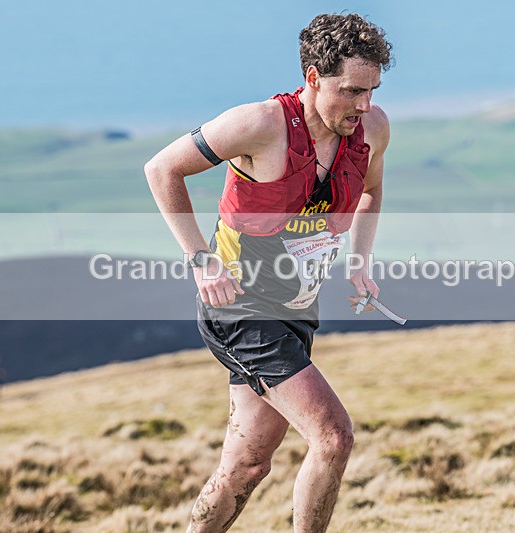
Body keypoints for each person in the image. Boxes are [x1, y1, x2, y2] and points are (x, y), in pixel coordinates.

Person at [145, 13, 392, 532]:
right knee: (333, 436)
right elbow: (162, 169)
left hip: (295, 311)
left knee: (246, 465)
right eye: (351, 91)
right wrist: (199, 260)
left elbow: (370, 191)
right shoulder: (259, 126)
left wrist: (360, 262)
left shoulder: (370, 128)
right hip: (240, 308)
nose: (364, 104)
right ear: (312, 76)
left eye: (372, 89)